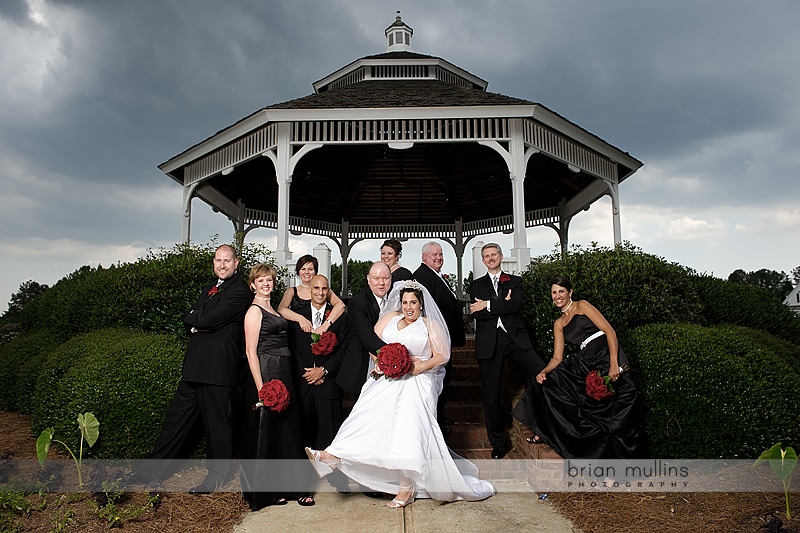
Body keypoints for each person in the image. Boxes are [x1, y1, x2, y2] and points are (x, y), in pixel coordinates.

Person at [306, 280, 495, 507]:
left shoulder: (430, 325)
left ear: (421, 304)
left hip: (419, 380)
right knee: (365, 410)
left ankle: (406, 488)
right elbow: (373, 345)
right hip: (390, 378)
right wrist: (381, 362)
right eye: (405, 302)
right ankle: (334, 455)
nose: (408, 307)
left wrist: (418, 367)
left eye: (413, 302)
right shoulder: (389, 319)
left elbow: (442, 356)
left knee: (408, 425)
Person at [134, 244, 251, 492]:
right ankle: (150, 470)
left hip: (218, 370)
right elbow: (191, 320)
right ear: (213, 262)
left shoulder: (239, 291)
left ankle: (218, 475)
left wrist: (198, 320)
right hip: (195, 367)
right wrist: (198, 321)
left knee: (218, 426)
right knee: (175, 421)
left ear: (236, 263)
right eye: (218, 260)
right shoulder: (210, 288)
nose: (222, 265)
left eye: (227, 261)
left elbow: (205, 318)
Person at [513, 276, 643, 459]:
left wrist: (614, 362)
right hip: (587, 361)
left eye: (561, 292)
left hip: (605, 355)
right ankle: (546, 431)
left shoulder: (582, 306)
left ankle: (619, 466)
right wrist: (544, 371)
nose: (557, 296)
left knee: (617, 414)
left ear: (570, 293)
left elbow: (609, 331)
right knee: (548, 384)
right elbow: (557, 357)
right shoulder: (559, 323)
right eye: (554, 292)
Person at [241, 263, 315, 510]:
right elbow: (251, 352)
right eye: (261, 281)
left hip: (283, 370)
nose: (266, 284)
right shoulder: (253, 311)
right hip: (267, 371)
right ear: (253, 284)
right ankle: (268, 492)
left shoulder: (271, 307)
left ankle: (293, 488)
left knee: (288, 429)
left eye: (269, 280)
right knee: (269, 430)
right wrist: (262, 388)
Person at [469, 243, 545, 459]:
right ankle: (499, 443)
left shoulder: (515, 281)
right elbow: (477, 314)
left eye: (494, 254)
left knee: (541, 373)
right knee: (491, 395)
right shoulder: (476, 285)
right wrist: (501, 303)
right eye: (487, 256)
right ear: (483, 260)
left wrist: (489, 305)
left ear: (501, 257)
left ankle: (543, 427)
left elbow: (516, 306)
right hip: (489, 342)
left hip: (514, 339)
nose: (491, 258)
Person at [412, 241, 465, 432]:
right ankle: (436, 423)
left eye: (441, 254)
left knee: (442, 381)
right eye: (434, 254)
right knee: (436, 382)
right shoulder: (422, 276)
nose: (439, 257)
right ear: (424, 257)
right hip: (435, 341)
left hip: (444, 339)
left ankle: (439, 417)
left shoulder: (434, 275)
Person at [335, 261, 391, 396]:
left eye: (385, 278)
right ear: (368, 279)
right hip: (364, 366)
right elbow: (367, 337)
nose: (381, 283)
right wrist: (393, 355)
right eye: (376, 278)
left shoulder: (398, 299)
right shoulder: (358, 302)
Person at [278, 254, 345, 335]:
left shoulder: (323, 290)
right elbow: (281, 309)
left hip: (320, 333)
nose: (306, 272)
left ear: (315, 271)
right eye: (303, 269)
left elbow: (340, 306)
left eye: (310, 269)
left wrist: (326, 324)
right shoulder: (292, 291)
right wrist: (301, 319)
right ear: (298, 272)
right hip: (298, 334)